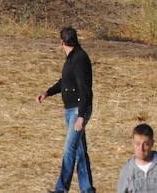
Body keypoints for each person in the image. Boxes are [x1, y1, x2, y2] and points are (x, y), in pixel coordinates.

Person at [36, 26, 95, 193]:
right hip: (72, 110)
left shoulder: (79, 59)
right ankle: (87, 189)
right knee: (80, 152)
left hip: (78, 110)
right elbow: (65, 82)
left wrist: (82, 116)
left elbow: (85, 89)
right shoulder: (72, 58)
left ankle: (61, 189)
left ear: (61, 42)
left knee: (69, 150)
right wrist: (47, 92)